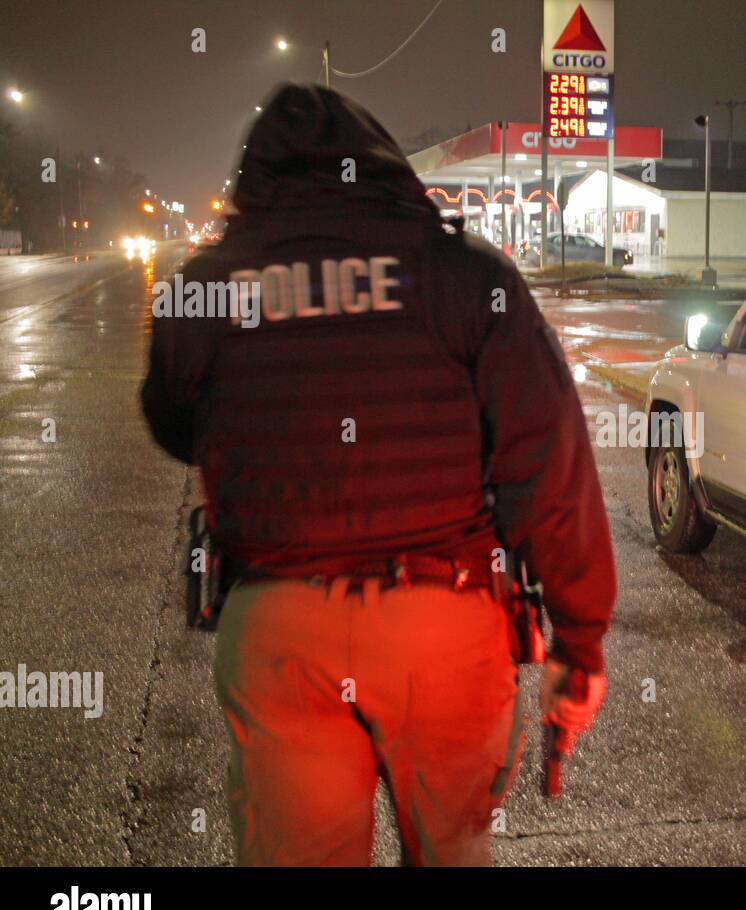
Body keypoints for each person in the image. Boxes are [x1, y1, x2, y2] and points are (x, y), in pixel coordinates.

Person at [140, 84, 616, 866]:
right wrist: (582, 638)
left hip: (281, 627)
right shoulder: (460, 273)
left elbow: (174, 426)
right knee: (455, 850)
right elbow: (548, 461)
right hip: (446, 627)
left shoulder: (207, 284)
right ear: (384, 166)